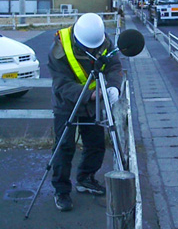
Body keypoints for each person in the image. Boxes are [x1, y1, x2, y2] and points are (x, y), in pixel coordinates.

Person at [47, 12, 123, 211]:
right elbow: (61, 84)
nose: (94, 49)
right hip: (67, 104)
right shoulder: (59, 48)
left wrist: (114, 86)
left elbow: (114, 66)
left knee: (96, 143)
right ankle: (61, 190)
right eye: (89, 47)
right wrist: (89, 94)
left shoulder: (104, 41)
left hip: (94, 102)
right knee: (64, 147)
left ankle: (86, 178)